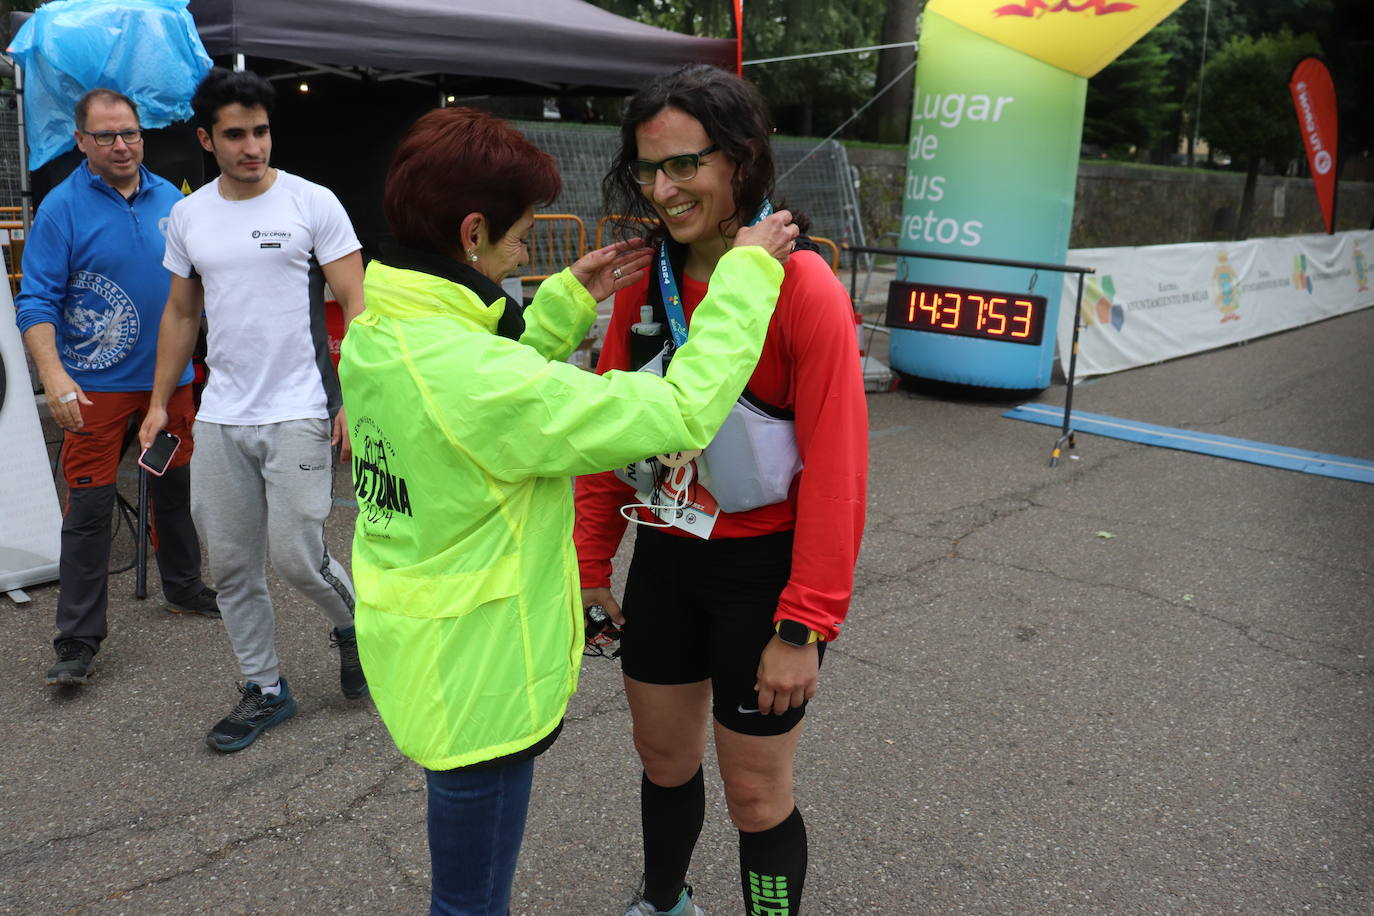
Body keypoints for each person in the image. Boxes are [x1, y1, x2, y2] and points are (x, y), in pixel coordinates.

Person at [336, 106, 798, 916]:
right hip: (477, 676)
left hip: (425, 643)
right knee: (470, 903)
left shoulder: (384, 327)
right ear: (473, 232)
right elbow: (682, 410)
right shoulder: (469, 375)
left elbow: (480, 407)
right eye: (520, 232)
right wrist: (748, 277)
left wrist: (558, 306)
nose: (530, 245)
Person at [575, 65, 868, 916]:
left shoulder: (802, 285)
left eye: (685, 166)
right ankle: (663, 902)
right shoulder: (644, 281)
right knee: (663, 762)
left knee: (756, 796)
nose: (663, 191)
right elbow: (604, 437)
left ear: (740, 159)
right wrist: (592, 568)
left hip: (763, 582)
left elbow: (840, 469)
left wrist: (805, 623)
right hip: (667, 561)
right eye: (647, 170)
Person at [137, 68, 366, 753]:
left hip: (299, 407)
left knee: (298, 558)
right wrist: (156, 405)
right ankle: (266, 688)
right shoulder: (189, 215)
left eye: (260, 131)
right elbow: (181, 313)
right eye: (235, 135)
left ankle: (359, 630)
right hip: (220, 416)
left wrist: (356, 399)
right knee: (233, 567)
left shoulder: (312, 203)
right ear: (207, 139)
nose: (251, 146)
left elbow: (359, 310)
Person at [17, 88, 219, 688]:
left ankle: (183, 588)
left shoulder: (176, 201)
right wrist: (55, 380)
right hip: (95, 389)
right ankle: (77, 640)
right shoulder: (61, 208)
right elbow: (35, 303)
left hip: (170, 383)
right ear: (80, 141)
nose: (121, 145)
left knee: (175, 489)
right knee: (89, 509)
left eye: (129, 132)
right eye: (105, 136)